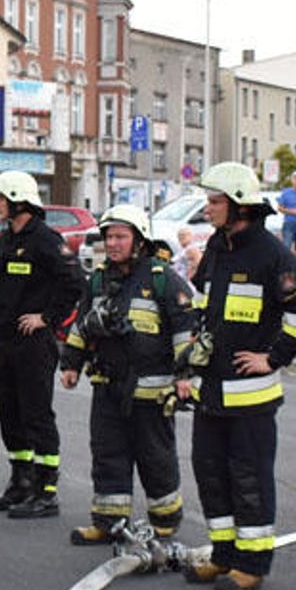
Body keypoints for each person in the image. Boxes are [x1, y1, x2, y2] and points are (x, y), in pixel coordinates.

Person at [184, 162, 296, 590]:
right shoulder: (217, 246)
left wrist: (273, 357)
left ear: (240, 206)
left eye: (214, 201)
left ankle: (252, 563)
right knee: (211, 475)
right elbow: (202, 301)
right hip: (210, 393)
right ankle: (223, 554)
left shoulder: (271, 255)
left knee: (248, 480)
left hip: (250, 400)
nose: (207, 209)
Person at [60, 205, 197, 546]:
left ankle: (164, 522)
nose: (112, 243)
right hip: (107, 386)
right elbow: (81, 324)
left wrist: (185, 375)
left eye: (120, 236)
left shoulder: (162, 278)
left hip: (152, 391)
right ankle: (109, 523)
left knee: (155, 457)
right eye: (108, 237)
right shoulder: (98, 280)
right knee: (108, 455)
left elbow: (185, 328)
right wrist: (71, 364)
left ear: (139, 240)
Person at [0, 170, 86, 519]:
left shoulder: (45, 240)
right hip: (7, 341)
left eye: (1, 199)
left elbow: (75, 282)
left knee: (36, 413)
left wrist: (47, 318)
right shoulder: (6, 239)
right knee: (9, 411)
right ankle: (21, 482)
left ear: (17, 200)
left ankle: (46, 489)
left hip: (34, 342)